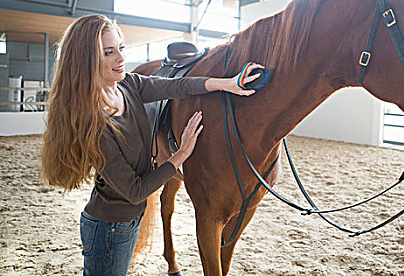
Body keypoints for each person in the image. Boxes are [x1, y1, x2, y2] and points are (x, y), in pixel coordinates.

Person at [39, 14, 263, 276]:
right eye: (108, 52)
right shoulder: (94, 121)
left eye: (121, 48)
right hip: (109, 226)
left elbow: (178, 86)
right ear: (86, 59)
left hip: (127, 221)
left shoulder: (127, 86)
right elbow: (135, 190)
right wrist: (181, 155)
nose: (121, 59)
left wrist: (227, 84)